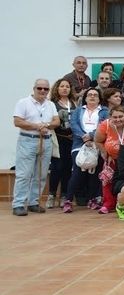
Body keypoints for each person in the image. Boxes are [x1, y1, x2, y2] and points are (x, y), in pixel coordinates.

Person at [12, 79, 60, 216]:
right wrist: (37, 126)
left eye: (46, 89)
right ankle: (19, 204)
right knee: (24, 174)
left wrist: (47, 126)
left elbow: (56, 121)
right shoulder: (23, 102)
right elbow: (17, 121)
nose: (43, 91)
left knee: (41, 174)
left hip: (46, 141)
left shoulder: (50, 104)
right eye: (40, 88)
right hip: (28, 140)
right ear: (34, 88)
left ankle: (34, 202)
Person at [62, 88, 108, 213]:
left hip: (97, 144)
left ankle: (92, 199)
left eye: (95, 95)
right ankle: (68, 200)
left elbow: (104, 125)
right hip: (79, 144)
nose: (92, 97)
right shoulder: (78, 110)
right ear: (85, 98)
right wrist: (84, 136)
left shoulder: (104, 111)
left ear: (99, 99)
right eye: (90, 95)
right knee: (78, 171)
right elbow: (73, 124)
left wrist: (92, 135)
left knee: (94, 173)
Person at [94, 106, 124, 214]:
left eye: (121, 116)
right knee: (107, 181)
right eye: (114, 117)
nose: (118, 119)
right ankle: (108, 204)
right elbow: (97, 141)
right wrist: (105, 152)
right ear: (110, 117)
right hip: (112, 159)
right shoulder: (105, 125)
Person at [46, 79, 77, 208]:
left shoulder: (74, 103)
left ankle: (64, 195)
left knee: (67, 168)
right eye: (62, 86)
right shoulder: (52, 104)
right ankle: (51, 195)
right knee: (57, 167)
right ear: (57, 89)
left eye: (67, 86)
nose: (65, 88)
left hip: (71, 140)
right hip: (58, 139)